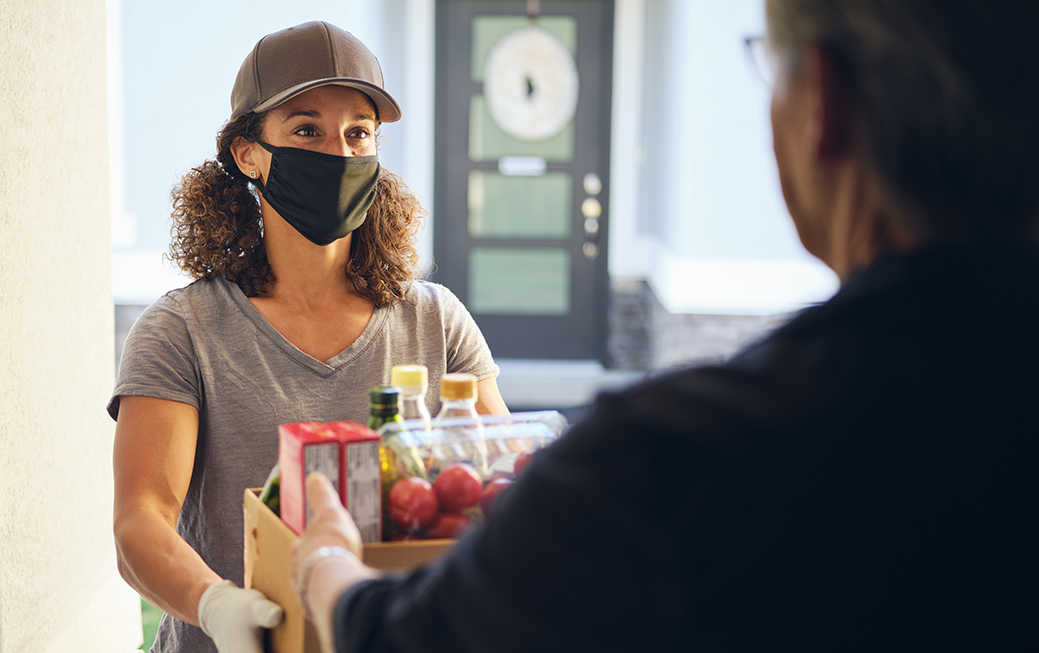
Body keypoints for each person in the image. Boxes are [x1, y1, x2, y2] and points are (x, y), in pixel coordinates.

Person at [292, 1, 1039, 650]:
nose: (343, 152)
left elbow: (411, 637)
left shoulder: (666, 466)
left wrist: (327, 562)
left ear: (823, 105)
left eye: (360, 133)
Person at [109, 21, 509, 653]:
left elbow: (497, 490)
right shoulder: (183, 331)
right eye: (306, 130)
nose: (340, 153)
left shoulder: (436, 321)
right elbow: (141, 520)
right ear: (248, 154)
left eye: (359, 132)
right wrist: (216, 606)